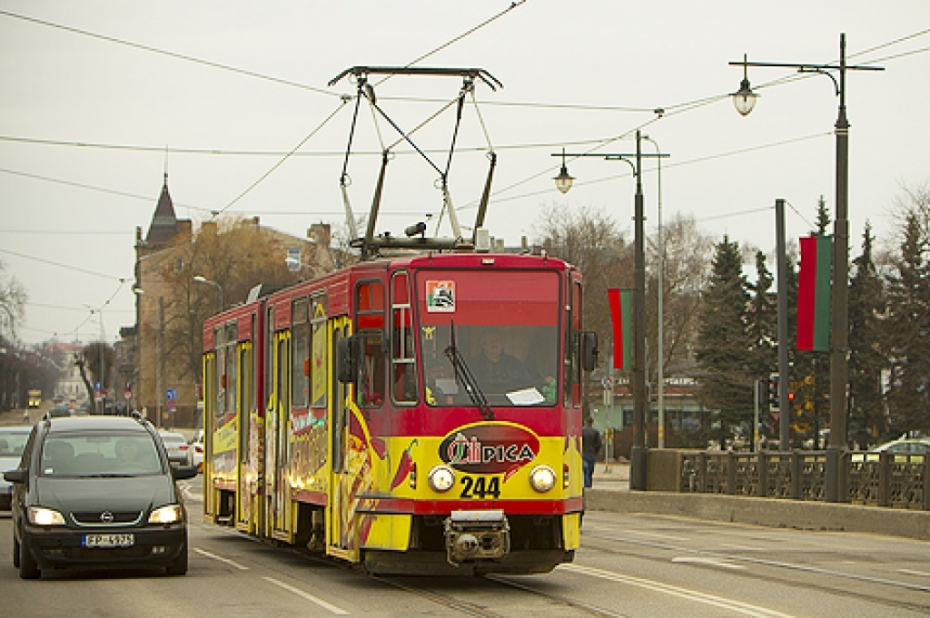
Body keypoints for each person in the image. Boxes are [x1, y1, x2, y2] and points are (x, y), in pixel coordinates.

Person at [469, 330, 534, 394]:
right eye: (491, 341)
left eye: (497, 341)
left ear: (502, 344)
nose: (494, 343)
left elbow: (528, 385)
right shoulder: (474, 365)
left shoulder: (515, 364)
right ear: (483, 345)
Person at [582, 415, 602, 489]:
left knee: (585, 470)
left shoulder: (582, 431)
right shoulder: (595, 432)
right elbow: (599, 444)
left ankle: (587, 485)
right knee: (590, 471)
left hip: (584, 454)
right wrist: (595, 451)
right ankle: (589, 484)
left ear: (585, 422)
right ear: (592, 423)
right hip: (592, 454)